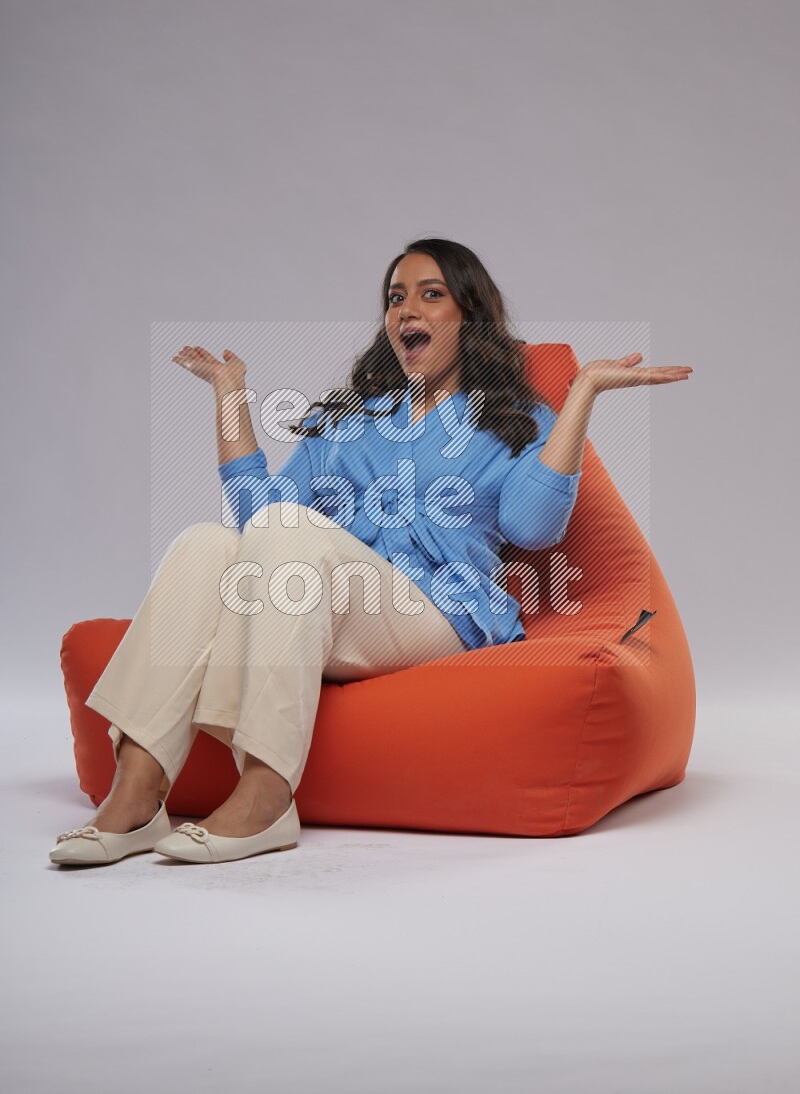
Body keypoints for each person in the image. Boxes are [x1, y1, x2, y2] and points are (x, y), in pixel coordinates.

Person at [49, 238, 692, 866]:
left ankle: (269, 795)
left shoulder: (514, 418)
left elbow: (533, 526)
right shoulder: (353, 419)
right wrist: (231, 396)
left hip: (442, 613)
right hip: (330, 607)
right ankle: (135, 791)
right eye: (395, 298)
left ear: (468, 315)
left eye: (430, 295)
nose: (405, 311)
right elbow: (256, 522)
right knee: (205, 543)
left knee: (288, 531)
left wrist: (580, 393)